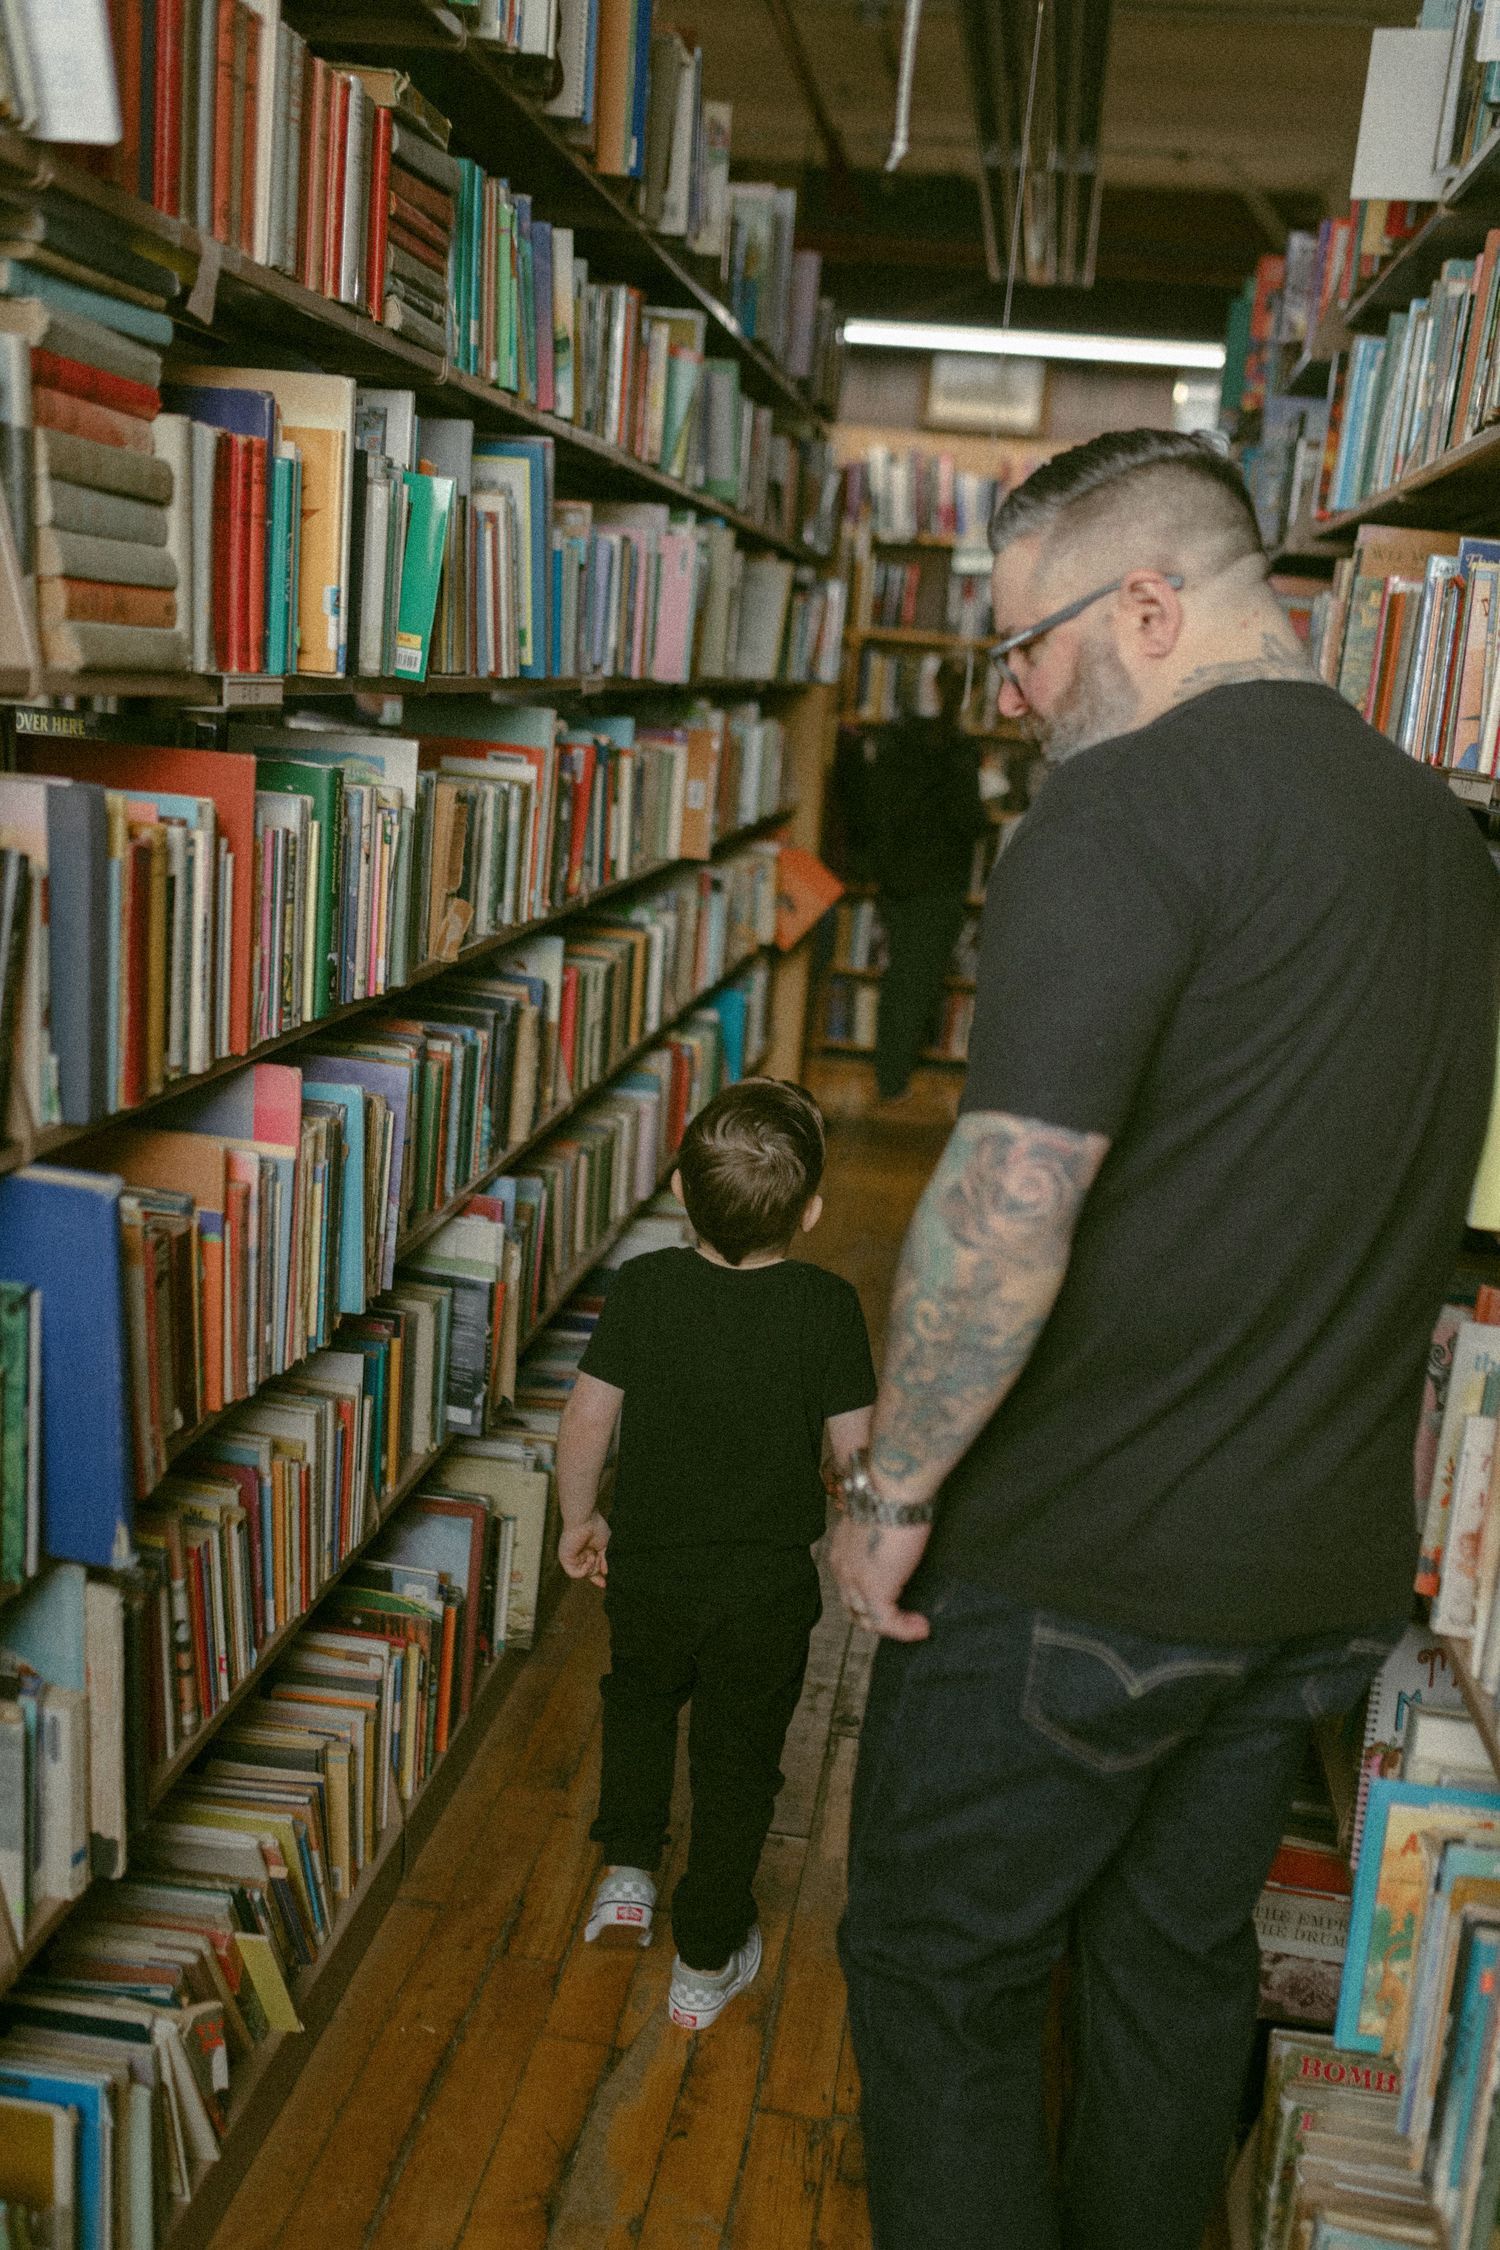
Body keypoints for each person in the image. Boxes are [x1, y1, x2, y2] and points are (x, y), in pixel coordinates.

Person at [828, 428, 1500, 2250]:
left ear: (1143, 603)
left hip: (1079, 1562)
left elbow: (1012, 1202)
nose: (1016, 698)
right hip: (1313, 1583)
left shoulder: (1117, 814)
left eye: (1022, 649)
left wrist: (895, 1480)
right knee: (1169, 1987)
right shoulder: (1442, 838)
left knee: (940, 1978)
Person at [555, 1077, 876, 2031]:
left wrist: (581, 1517)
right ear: (811, 1212)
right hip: (764, 1591)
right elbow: (856, 1456)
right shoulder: (828, 1307)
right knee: (740, 1765)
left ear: (680, 1193)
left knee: (640, 1705)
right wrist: (860, 1523)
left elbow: (588, 1417)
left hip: (650, 1568)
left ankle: (626, 1874)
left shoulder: (645, 1287)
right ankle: (704, 1959)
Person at [866, 656, 988, 1102]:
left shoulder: (900, 738)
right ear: (968, 694)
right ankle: (893, 1080)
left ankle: (889, 1075)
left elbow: (878, 806)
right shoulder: (958, 748)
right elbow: (968, 817)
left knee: (899, 977)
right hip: (937, 882)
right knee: (917, 983)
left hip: (897, 878)